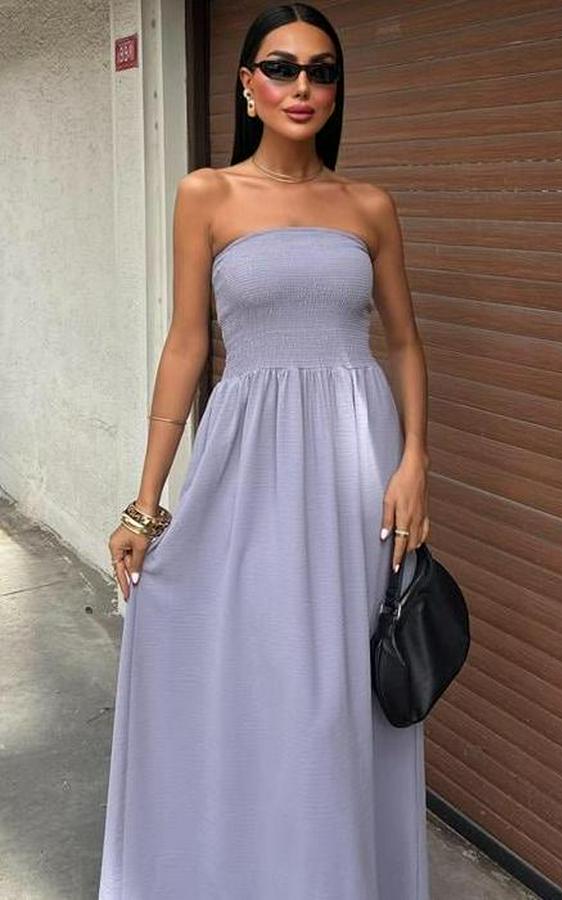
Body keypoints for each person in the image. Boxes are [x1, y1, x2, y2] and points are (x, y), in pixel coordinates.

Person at [99, 4, 431, 898]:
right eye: (281, 68)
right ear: (246, 84)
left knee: (338, 690)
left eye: (321, 70)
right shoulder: (206, 194)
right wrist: (144, 502)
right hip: (247, 461)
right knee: (249, 665)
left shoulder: (368, 205)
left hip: (357, 464)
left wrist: (414, 463)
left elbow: (403, 342)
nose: (301, 86)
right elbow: (186, 345)